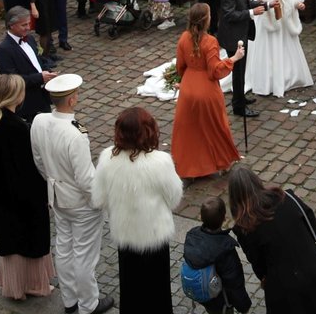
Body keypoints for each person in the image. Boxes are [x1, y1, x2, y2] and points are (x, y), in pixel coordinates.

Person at [30, 74, 114, 314]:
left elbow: (38, 160)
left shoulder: (39, 121)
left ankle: (70, 301)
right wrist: (99, 202)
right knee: (84, 256)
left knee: (64, 248)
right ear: (72, 100)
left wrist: (53, 183)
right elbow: (86, 179)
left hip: (56, 196)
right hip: (80, 203)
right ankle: (89, 304)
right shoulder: (76, 134)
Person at [92, 106, 183, 314]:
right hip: (154, 237)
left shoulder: (107, 159)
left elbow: (99, 199)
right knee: (158, 292)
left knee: (131, 290)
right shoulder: (160, 162)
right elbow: (174, 198)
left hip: (126, 236)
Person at [0, 74, 55, 301]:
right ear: (19, 96)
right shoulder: (20, 128)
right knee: (28, 237)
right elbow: (30, 167)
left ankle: (13, 284)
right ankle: (31, 284)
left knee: (10, 238)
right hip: (23, 196)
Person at [227, 165, 316, 314]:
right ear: (257, 182)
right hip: (315, 275)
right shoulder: (288, 198)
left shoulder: (244, 228)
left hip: (285, 289)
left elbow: (259, 265)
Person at [171, 3, 244, 178]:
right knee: (216, 128)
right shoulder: (210, 42)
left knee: (189, 131)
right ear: (206, 21)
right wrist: (234, 58)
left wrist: (186, 82)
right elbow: (215, 71)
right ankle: (223, 162)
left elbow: (180, 66)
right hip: (207, 92)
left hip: (188, 90)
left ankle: (189, 168)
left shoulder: (183, 38)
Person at [249, 0, 312, 97]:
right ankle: (269, 80)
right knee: (269, 50)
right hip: (269, 21)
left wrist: (298, 4)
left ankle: (288, 76)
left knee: (285, 48)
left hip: (283, 21)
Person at [183, 197, 252, 314]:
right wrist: (244, 305)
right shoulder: (225, 247)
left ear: (201, 217)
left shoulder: (192, 235)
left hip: (202, 293)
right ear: (224, 219)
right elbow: (234, 281)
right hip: (219, 299)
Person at [219, 0, 265, 116]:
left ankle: (240, 97)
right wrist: (252, 12)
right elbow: (229, 15)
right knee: (238, 72)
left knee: (241, 69)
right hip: (233, 37)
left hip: (240, 34)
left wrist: (263, 5)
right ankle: (238, 106)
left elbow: (243, 4)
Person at [0, 6, 57, 121]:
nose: (28, 28)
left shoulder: (29, 39)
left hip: (41, 99)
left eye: (28, 24)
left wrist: (48, 70)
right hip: (25, 104)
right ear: (11, 25)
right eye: (24, 25)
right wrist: (39, 77)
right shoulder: (4, 50)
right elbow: (12, 81)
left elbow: (39, 60)